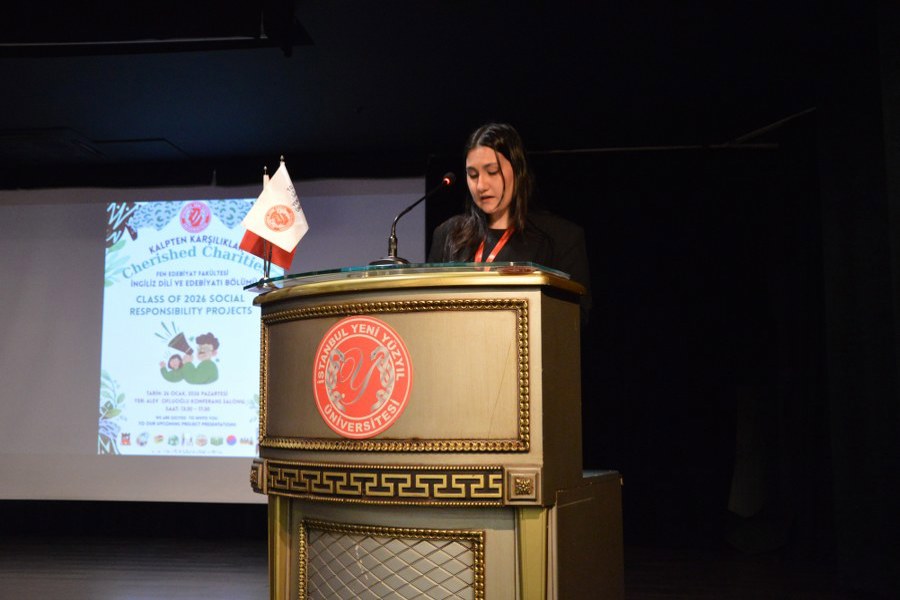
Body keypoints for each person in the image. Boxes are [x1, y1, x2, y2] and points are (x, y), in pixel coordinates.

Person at [427, 122, 592, 323]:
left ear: (518, 170)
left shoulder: (560, 237)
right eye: (473, 175)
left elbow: (575, 319)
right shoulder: (447, 234)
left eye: (492, 171)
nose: (481, 185)